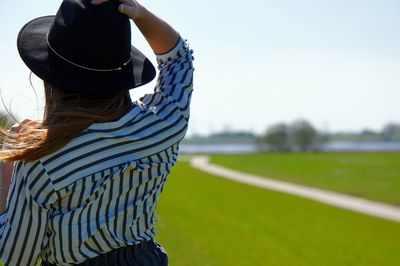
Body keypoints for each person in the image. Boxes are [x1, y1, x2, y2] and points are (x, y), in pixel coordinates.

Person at [0, 0, 194, 265]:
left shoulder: (41, 163)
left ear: (50, 77)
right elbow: (179, 59)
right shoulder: (161, 125)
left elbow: (16, 255)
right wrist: (139, 13)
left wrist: (9, 165)